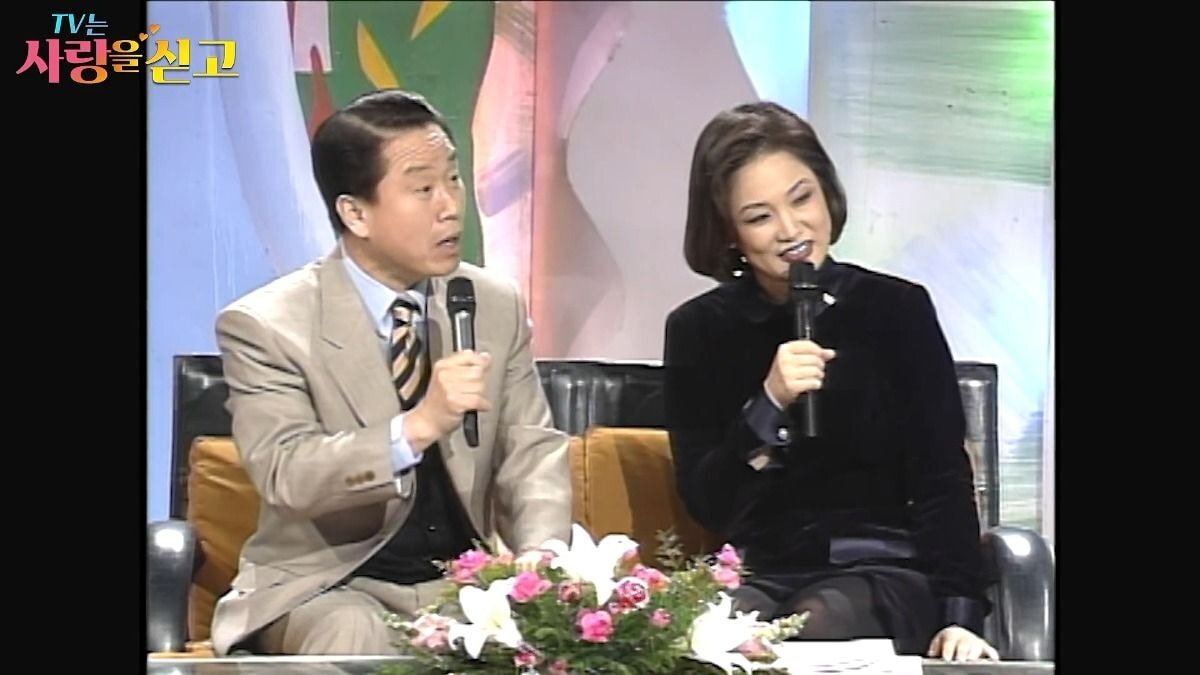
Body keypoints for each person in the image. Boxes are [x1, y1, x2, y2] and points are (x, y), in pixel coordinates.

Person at [208, 89, 572, 656]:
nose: (449, 206)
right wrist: (417, 427)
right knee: (355, 634)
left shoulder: (491, 303)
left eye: (453, 179)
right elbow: (288, 473)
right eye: (423, 189)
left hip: (464, 583)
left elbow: (531, 450)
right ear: (355, 213)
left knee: (560, 638)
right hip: (329, 584)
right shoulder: (267, 325)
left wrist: (541, 556)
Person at [663, 101, 999, 661]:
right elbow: (708, 503)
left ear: (827, 194)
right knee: (705, 640)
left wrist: (961, 614)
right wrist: (768, 403)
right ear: (729, 233)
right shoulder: (700, 329)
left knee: (809, 626)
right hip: (763, 571)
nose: (791, 229)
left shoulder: (896, 310)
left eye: (802, 199)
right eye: (760, 216)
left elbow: (941, 476)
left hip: (882, 569)